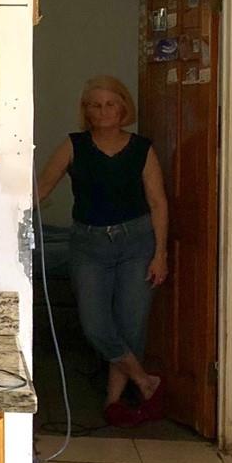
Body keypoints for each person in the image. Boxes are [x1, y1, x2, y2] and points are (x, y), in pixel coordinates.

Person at [36, 75, 170, 426]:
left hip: (136, 243)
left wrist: (160, 254)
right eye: (95, 105)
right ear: (86, 111)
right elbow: (42, 188)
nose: (103, 111)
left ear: (123, 107)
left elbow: (158, 203)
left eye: (110, 104)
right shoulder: (74, 145)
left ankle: (113, 402)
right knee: (95, 325)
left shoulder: (142, 149)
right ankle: (145, 382)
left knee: (131, 325)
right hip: (88, 244)